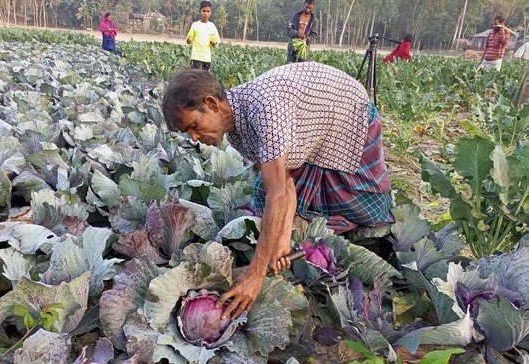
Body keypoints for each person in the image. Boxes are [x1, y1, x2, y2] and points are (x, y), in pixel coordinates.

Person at [162, 62, 394, 320]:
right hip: (313, 123)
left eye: (193, 125)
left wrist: (255, 274)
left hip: (348, 112)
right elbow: (285, 183)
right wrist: (282, 241)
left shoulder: (264, 109)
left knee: (360, 204)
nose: (193, 137)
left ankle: (365, 223)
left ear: (211, 104)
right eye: (187, 132)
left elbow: (278, 195)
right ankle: (311, 227)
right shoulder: (237, 130)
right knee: (268, 191)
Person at [186, 1, 220, 70]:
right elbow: (188, 41)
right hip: (196, 58)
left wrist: (214, 44)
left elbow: (216, 42)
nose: (205, 14)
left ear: (210, 13)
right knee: (197, 78)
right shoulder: (195, 25)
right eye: (203, 11)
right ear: (200, 12)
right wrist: (189, 40)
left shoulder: (212, 26)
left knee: (205, 80)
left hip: (207, 58)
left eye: (208, 11)